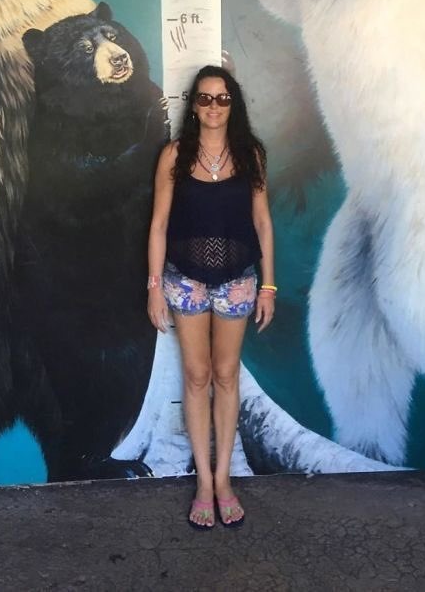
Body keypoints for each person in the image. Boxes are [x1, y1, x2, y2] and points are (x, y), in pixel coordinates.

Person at [147, 64, 276, 530]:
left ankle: (224, 480)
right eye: (205, 98)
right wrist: (155, 287)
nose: (214, 106)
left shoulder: (251, 155)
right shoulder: (174, 156)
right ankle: (203, 481)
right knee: (197, 376)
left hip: (239, 281)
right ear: (194, 106)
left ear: (232, 104)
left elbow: (263, 223)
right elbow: (158, 225)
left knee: (225, 375)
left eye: (222, 99)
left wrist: (268, 285)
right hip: (185, 281)